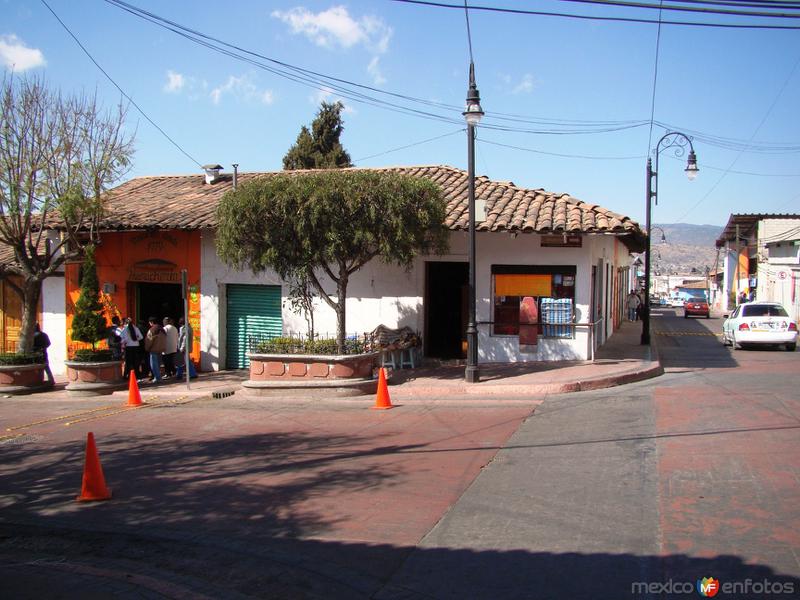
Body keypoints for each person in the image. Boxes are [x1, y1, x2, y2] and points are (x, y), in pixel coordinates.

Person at [144, 316, 166, 382]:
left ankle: (158, 378)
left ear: (151, 322)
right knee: (159, 364)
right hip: (161, 349)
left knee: (154, 365)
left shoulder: (152, 330)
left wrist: (147, 348)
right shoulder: (162, 329)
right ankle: (159, 377)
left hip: (153, 349)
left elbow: (149, 340)